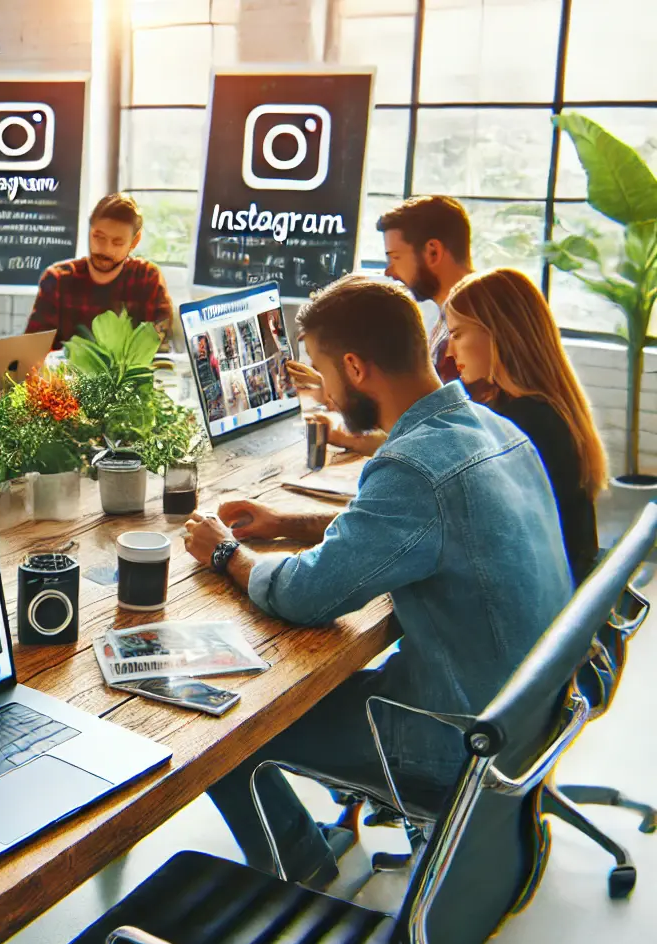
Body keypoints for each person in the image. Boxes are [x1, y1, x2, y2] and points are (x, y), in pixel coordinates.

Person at [179, 275, 571, 887]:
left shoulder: (411, 467)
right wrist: (291, 520)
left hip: (452, 739)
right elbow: (421, 526)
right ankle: (308, 851)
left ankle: (301, 871)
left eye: (323, 372)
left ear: (356, 367)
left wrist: (226, 553)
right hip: (520, 718)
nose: (326, 391)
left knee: (222, 723)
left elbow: (307, 595)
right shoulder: (495, 428)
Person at [445, 267, 607, 584]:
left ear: (498, 333)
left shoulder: (522, 426)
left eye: (457, 334)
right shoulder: (543, 409)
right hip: (564, 606)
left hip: (541, 615)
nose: (450, 352)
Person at [292, 196, 476, 454]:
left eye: (395, 257)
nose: (389, 272)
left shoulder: (472, 332)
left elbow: (430, 439)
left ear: (433, 251)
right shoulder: (445, 320)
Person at [24, 193, 174, 345]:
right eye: (98, 237)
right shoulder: (57, 279)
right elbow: (33, 346)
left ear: (134, 241)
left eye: (117, 242)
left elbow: (159, 341)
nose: (105, 249)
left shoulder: (147, 278)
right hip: (64, 369)